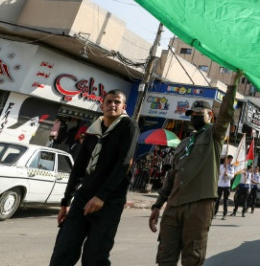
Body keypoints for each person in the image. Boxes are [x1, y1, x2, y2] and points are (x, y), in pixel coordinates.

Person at [148, 82, 237, 266]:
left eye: (199, 114)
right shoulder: (183, 143)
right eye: (192, 115)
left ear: (210, 116)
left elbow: (226, 115)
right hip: (173, 205)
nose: (194, 117)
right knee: (165, 255)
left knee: (192, 258)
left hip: (199, 205)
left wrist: (232, 86)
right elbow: (171, 176)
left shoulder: (213, 136)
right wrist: (158, 205)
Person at [49, 89, 138, 266]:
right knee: (63, 250)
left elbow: (124, 163)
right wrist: (65, 202)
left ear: (123, 107)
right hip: (83, 197)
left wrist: (102, 196)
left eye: (117, 102)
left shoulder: (128, 126)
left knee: (94, 257)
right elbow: (79, 167)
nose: (112, 105)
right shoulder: (93, 129)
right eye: (109, 101)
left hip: (110, 200)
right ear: (102, 105)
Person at [214, 155, 235, 219]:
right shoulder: (220, 166)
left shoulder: (231, 167)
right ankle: (215, 213)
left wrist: (227, 174)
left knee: (225, 200)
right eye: (229, 159)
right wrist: (223, 168)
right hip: (220, 185)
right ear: (226, 159)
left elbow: (232, 176)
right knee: (217, 200)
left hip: (227, 185)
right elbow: (217, 173)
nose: (230, 161)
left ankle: (224, 214)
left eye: (231, 160)